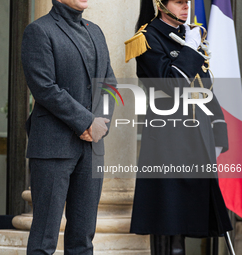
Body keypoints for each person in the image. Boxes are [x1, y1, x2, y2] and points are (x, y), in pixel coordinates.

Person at [125, 0, 232, 254]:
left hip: (197, 138)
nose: (186, 7)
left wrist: (218, 130)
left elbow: (205, 88)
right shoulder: (148, 37)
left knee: (188, 220)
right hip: (167, 139)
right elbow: (172, 85)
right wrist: (191, 50)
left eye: (188, 2)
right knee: (167, 219)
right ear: (160, 4)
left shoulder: (189, 34)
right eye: (179, 2)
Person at [21, 0, 116, 254]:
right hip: (53, 147)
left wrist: (100, 125)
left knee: (83, 240)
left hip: (92, 147)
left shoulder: (95, 31)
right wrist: (86, 122)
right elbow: (44, 87)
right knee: (44, 240)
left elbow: (110, 84)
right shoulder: (39, 31)